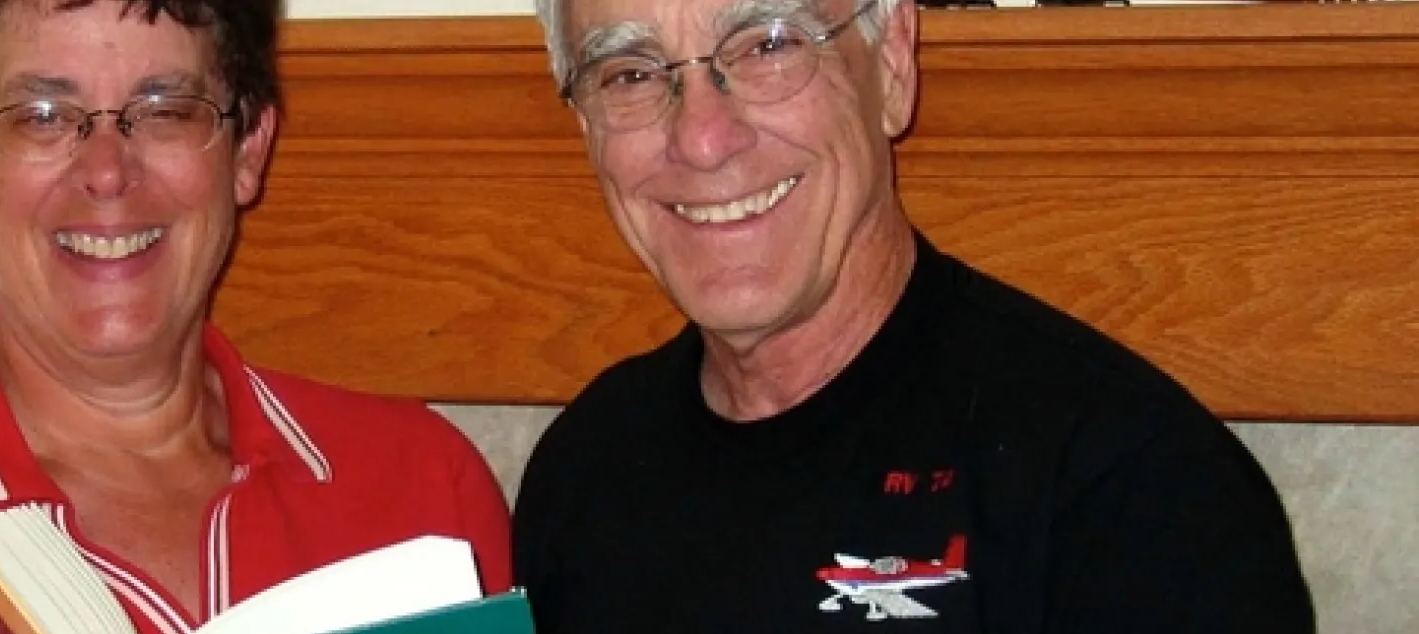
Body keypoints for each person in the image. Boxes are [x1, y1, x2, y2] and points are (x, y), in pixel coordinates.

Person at [0, 1, 512, 631]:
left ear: (249, 150)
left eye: (165, 109)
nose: (107, 172)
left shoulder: (423, 490)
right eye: (42, 116)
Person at [510, 0, 1315, 631]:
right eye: (629, 73)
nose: (703, 138)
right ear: (584, 124)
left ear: (892, 61)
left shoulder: (1135, 493)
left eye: (768, 44)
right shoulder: (582, 476)